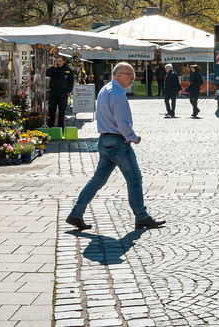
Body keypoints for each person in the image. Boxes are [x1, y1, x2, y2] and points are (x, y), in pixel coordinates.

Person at [65, 62, 165, 232]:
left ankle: (76, 213)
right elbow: (122, 124)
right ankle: (141, 217)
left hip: (105, 141)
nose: (133, 78)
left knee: (97, 180)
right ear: (118, 75)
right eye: (129, 74)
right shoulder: (118, 94)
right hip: (118, 142)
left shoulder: (106, 89)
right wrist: (134, 138)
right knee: (134, 179)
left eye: (133, 74)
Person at [44, 55, 75, 130]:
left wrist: (69, 91)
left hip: (63, 93)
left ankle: (61, 128)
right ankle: (50, 127)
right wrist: (53, 67)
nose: (59, 63)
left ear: (63, 62)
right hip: (54, 92)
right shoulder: (53, 69)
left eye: (60, 61)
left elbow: (71, 82)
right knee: (51, 110)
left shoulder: (68, 70)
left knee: (62, 111)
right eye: (57, 61)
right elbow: (47, 73)